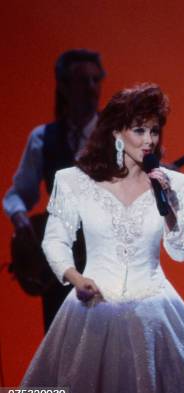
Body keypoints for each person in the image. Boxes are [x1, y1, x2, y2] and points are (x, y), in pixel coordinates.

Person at [16, 83, 184, 393]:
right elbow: (55, 240)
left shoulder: (175, 184)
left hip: (154, 313)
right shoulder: (74, 181)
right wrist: (76, 277)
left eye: (154, 130)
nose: (149, 139)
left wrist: (170, 207)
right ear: (116, 132)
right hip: (92, 309)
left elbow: (180, 252)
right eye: (139, 129)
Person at [3, 49, 105, 331]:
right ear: (63, 86)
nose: (91, 88)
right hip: (59, 262)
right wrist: (20, 218)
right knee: (61, 344)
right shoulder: (42, 138)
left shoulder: (115, 137)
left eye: (96, 80)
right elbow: (17, 194)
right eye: (83, 81)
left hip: (105, 260)